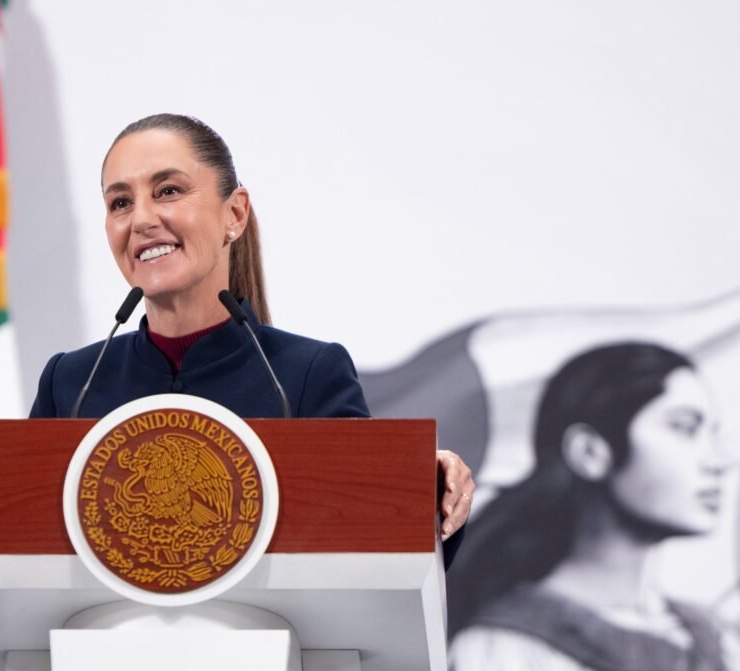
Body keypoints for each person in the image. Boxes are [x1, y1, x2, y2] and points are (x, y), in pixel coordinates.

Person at [29, 113, 474, 543]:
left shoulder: (306, 376)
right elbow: (18, 527)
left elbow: (372, 525)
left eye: (168, 191)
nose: (142, 219)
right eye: (120, 203)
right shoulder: (71, 383)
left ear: (235, 214)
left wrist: (429, 488)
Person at [446, 342, 736, 671]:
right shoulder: (503, 650)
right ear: (590, 452)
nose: (718, 461)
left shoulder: (720, 642)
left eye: (712, 434)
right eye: (684, 428)